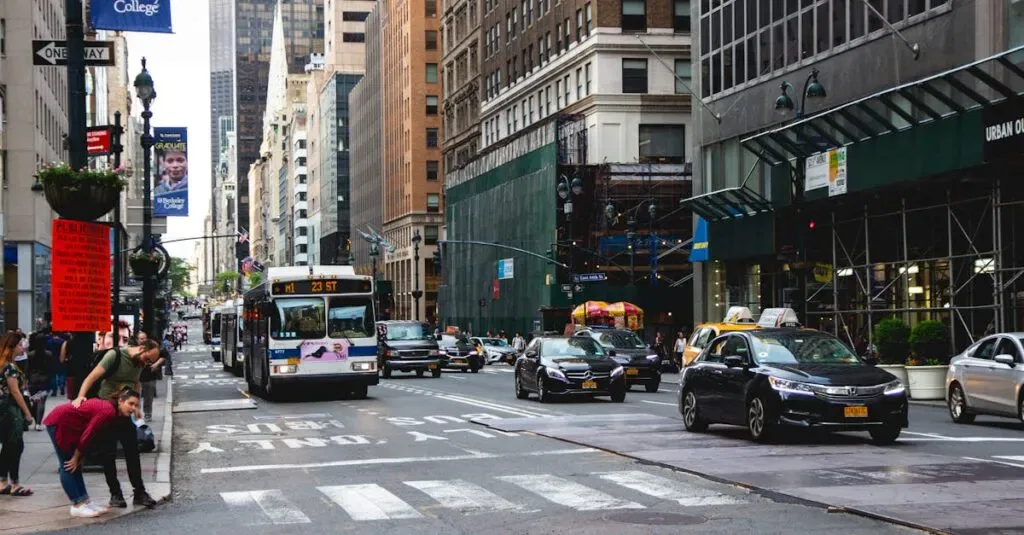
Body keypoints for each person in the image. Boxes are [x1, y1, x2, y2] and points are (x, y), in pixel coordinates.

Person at [72, 340, 160, 509]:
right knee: (108, 453)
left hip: (124, 411)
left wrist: (136, 406)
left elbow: (136, 383)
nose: (148, 364)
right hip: (106, 409)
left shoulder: (139, 363)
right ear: (142, 349)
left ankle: (139, 492)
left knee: (132, 451)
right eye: (148, 359)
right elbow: (92, 377)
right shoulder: (116, 355)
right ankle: (115, 493)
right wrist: (80, 397)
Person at [43, 389, 141, 518]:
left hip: (69, 424)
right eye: (131, 404)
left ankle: (85, 501)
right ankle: (77, 504)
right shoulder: (108, 411)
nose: (133, 408)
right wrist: (77, 456)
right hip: (60, 422)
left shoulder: (112, 410)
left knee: (75, 465)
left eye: (136, 405)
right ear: (120, 401)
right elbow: (88, 434)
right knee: (68, 464)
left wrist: (79, 457)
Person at [0, 332, 34, 496]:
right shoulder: (10, 367)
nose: (23, 347)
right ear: (12, 347)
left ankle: (3, 481)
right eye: (20, 344)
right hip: (11, 410)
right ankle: (14, 483)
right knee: (15, 446)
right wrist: (27, 413)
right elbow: (15, 391)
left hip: (2, 410)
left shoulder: (2, 365)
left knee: (7, 446)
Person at [26, 333, 54, 431]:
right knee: (41, 402)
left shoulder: (30, 354)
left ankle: (35, 420)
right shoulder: (48, 354)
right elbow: (51, 368)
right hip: (44, 381)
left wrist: (27, 380)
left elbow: (28, 369)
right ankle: (38, 423)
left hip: (33, 381)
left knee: (35, 401)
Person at [136, 332, 165, 422]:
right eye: (141, 339)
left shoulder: (153, 347)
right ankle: (136, 414)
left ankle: (148, 414)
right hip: (136, 377)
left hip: (150, 376)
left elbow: (164, 355)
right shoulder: (134, 348)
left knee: (149, 396)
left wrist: (156, 364)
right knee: (135, 396)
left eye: (144, 338)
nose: (143, 340)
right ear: (137, 340)